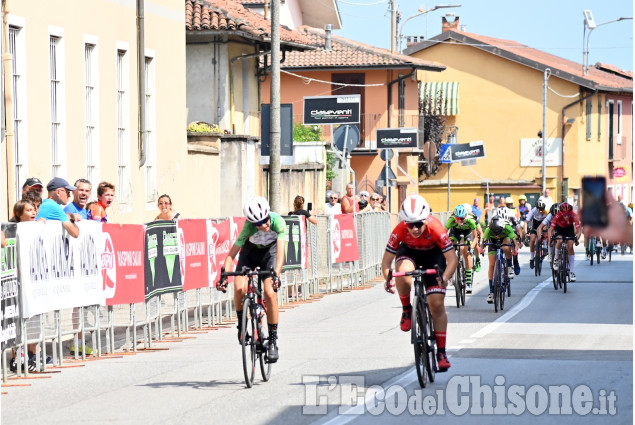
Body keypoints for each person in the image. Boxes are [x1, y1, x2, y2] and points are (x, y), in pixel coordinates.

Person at [381, 195, 457, 371]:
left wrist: (444, 278)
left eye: (418, 224)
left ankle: (441, 352)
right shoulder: (399, 229)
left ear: (426, 220)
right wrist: (388, 278)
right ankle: (407, 308)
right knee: (402, 272)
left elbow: (452, 259)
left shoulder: (437, 228)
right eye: (410, 224)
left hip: (434, 256)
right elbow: (386, 263)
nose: (414, 228)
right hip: (409, 253)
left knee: (437, 304)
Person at [218, 197, 286, 363]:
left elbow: (281, 253)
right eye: (259, 223)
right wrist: (224, 276)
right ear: (252, 223)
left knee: (270, 292)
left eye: (265, 220)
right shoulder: (248, 228)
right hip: (249, 253)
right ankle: (241, 326)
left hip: (269, 254)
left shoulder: (278, 222)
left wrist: (276, 274)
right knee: (240, 288)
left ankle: (272, 341)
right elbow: (231, 256)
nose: (264, 225)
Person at [480, 215, 515, 303]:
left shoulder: (507, 227)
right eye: (494, 232)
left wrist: (515, 249)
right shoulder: (488, 230)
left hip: (505, 239)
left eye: (498, 232)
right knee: (492, 265)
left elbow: (514, 241)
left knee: (506, 248)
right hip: (492, 241)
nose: (497, 234)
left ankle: (509, 267)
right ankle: (492, 292)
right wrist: (482, 249)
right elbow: (483, 242)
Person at [445, 204, 478, 293]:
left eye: (462, 219)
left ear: (465, 217)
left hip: (467, 233)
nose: (460, 221)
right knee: (449, 249)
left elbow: (475, 237)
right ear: (454, 217)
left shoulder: (471, 221)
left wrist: (471, 248)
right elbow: (443, 234)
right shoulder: (451, 220)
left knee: (466, 253)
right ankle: (451, 272)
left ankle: (468, 282)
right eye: (457, 218)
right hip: (455, 233)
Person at [548, 202, 581, 282]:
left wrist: (577, 239)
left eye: (568, 215)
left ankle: (572, 272)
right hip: (559, 229)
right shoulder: (557, 215)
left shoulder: (574, 215)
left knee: (570, 246)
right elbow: (550, 230)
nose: (566, 216)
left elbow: (579, 230)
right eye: (564, 215)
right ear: (561, 212)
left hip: (569, 229)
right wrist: (550, 240)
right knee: (559, 241)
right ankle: (556, 258)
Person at [526, 199, 549, 269]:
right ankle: (532, 258)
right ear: (537, 208)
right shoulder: (534, 211)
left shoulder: (547, 212)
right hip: (535, 224)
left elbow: (550, 221)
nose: (541, 211)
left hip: (543, 223)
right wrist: (526, 232)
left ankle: (545, 247)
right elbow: (526, 222)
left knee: (545, 228)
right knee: (532, 240)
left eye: (542, 209)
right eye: (540, 209)